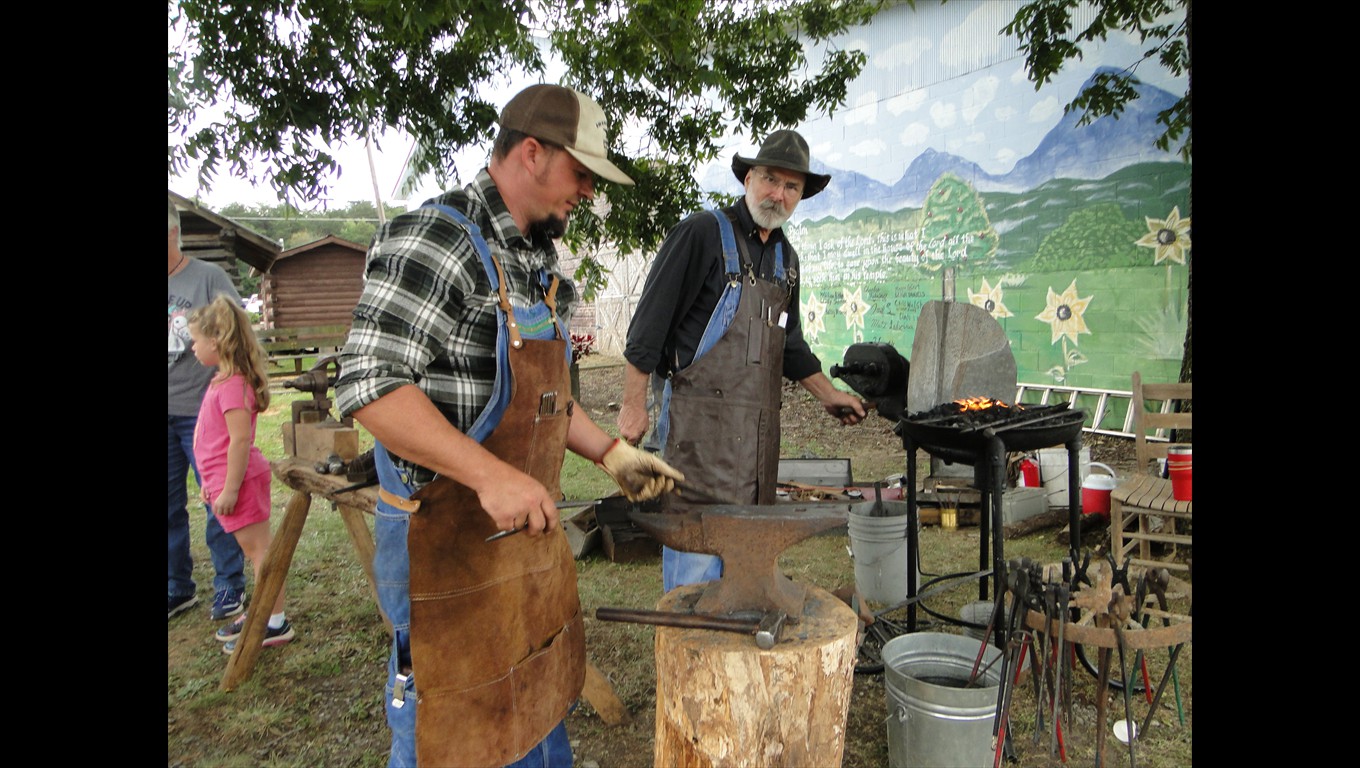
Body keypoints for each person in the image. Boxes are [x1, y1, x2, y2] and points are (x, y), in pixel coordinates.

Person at [334, 84, 685, 768]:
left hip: (522, 542)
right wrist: (489, 474)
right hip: (446, 544)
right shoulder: (440, 237)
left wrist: (613, 454)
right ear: (532, 152)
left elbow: (544, 398)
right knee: (454, 729)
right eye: (581, 174)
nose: (587, 192)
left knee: (533, 704)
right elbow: (368, 384)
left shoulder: (533, 259)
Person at [617, 129, 868, 592]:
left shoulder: (785, 260)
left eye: (791, 187)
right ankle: (689, 646)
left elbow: (789, 345)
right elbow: (647, 328)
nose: (778, 194)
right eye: (770, 180)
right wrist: (634, 407)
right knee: (698, 550)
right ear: (748, 178)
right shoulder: (700, 235)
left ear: (800, 196)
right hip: (698, 433)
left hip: (756, 443)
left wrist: (829, 395)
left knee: (746, 562)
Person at [187, 296, 295, 653]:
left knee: (261, 552)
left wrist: (230, 489)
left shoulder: (233, 384)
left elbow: (239, 441)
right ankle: (263, 614)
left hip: (241, 483)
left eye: (195, 340)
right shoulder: (222, 380)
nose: (192, 346)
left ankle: (274, 622)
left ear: (215, 343)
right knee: (254, 551)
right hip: (226, 482)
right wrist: (210, 484)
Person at [168, 199, 248, 622]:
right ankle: (177, 587)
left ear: (173, 234)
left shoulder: (208, 277)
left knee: (219, 500)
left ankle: (229, 586)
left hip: (204, 413)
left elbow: (238, 331)